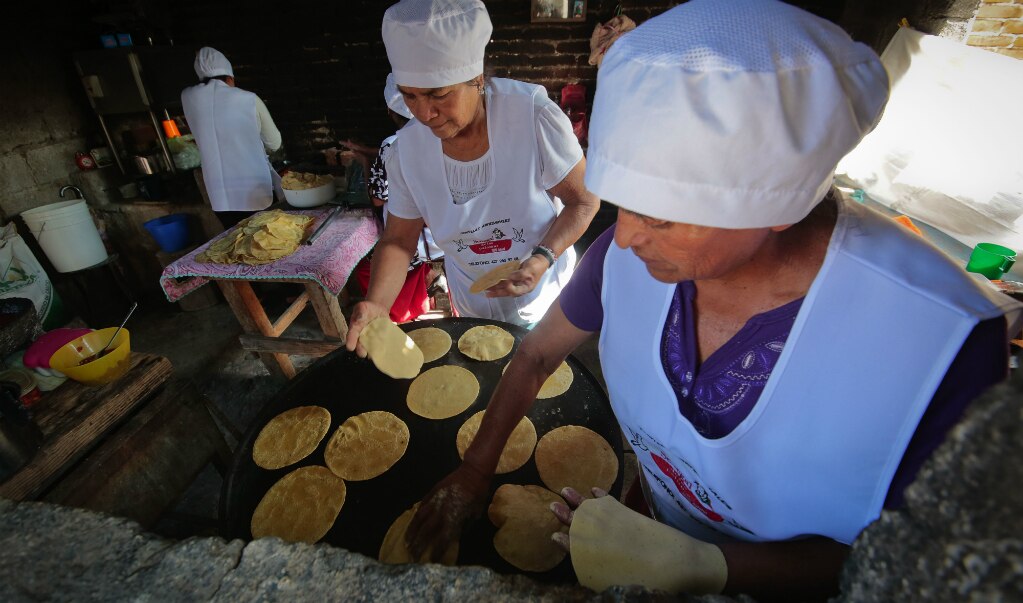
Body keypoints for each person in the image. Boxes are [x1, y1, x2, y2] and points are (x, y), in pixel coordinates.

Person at [404, 0, 1023, 600]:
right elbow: (536, 357)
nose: (625, 238)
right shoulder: (623, 261)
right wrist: (475, 472)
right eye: (621, 204)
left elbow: (906, 564)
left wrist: (700, 565)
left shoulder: (942, 345)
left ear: (775, 204)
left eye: (663, 219)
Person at [344, 0, 599, 352]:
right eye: (410, 96)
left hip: (545, 294)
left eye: (439, 94)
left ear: (477, 79)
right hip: (472, 302)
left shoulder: (532, 118)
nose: (424, 113)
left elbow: (584, 202)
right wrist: (378, 303)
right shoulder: (406, 150)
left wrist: (541, 258)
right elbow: (399, 240)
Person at [181, 47, 283, 229]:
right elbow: (274, 143)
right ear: (230, 78)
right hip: (255, 192)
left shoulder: (188, 98)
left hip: (219, 196)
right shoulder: (248, 99)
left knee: (236, 244)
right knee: (270, 245)